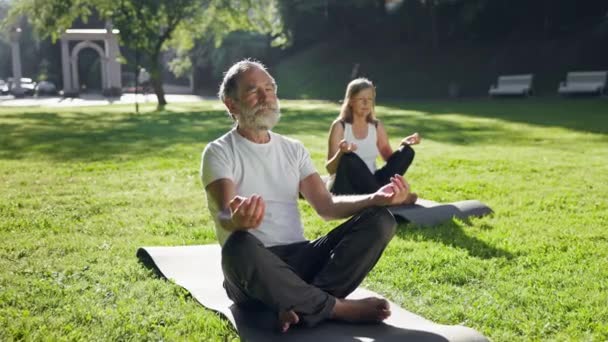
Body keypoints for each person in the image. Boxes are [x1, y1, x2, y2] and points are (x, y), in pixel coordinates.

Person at [200, 59, 415, 333]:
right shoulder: (219, 151)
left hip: (302, 258)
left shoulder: (293, 149)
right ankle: (339, 308)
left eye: (270, 88)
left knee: (381, 220)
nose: (267, 97)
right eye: (254, 91)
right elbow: (223, 213)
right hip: (254, 269)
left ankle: (297, 305)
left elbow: (326, 206)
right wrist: (235, 221)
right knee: (237, 246)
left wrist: (375, 198)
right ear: (231, 104)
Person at [326, 78, 421, 203]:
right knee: (349, 158)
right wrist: (341, 152)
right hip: (346, 185)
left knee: (407, 152)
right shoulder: (340, 126)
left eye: (369, 99)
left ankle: (380, 196)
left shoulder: (376, 126)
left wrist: (403, 145)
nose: (366, 103)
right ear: (350, 101)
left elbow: (390, 160)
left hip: (372, 180)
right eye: (361, 99)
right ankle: (389, 199)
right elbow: (330, 169)